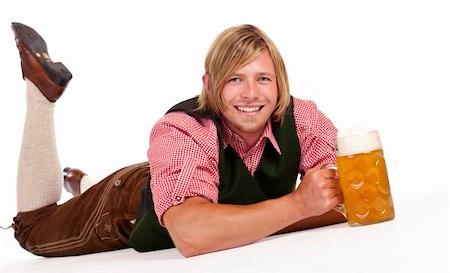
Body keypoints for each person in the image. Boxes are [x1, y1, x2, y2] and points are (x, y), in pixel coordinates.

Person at [10, 22, 346, 258]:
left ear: (281, 83)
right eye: (234, 79)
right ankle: (42, 94)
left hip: (181, 173)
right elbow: (192, 234)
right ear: (209, 84)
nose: (251, 94)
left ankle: (80, 180)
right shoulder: (181, 129)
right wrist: (298, 205)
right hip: (125, 206)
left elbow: (349, 199)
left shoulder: (302, 116)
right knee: (33, 229)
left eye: (263, 79)